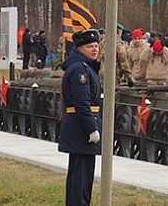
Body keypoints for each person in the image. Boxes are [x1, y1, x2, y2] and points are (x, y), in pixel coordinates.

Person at [58, 29, 103, 206]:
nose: (94, 49)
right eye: (89, 46)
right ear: (79, 48)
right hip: (81, 127)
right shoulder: (80, 70)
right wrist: (91, 129)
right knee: (80, 177)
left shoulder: (85, 67)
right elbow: (82, 103)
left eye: (96, 45)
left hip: (81, 126)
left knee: (82, 174)